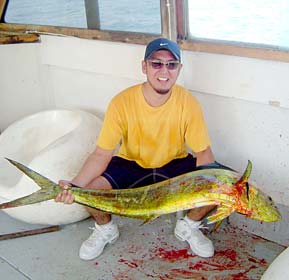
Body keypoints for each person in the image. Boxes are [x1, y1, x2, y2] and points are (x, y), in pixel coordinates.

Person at [55, 37, 219, 260]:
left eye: (171, 64)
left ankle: (188, 226)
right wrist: (74, 186)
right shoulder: (121, 102)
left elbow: (203, 152)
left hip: (173, 164)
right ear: (144, 66)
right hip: (131, 164)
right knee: (90, 191)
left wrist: (209, 186)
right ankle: (106, 229)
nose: (164, 71)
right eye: (156, 63)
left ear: (179, 69)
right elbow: (102, 153)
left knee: (222, 188)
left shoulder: (188, 102)